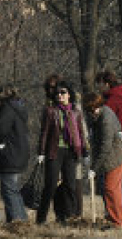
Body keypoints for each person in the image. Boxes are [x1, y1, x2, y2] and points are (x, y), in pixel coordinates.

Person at [35, 80, 88, 225]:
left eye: (63, 92)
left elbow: (80, 133)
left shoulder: (76, 112)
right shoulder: (51, 111)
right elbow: (44, 132)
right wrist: (41, 152)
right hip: (54, 150)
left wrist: (84, 150)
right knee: (51, 184)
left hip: (71, 151)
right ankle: (41, 218)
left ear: (69, 95)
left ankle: (69, 216)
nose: (60, 95)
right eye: (57, 93)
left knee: (70, 184)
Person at [83, 92, 122, 228]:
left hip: (116, 158)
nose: (93, 112)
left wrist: (94, 168)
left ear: (99, 105)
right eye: (90, 110)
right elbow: (95, 142)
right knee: (111, 189)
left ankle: (119, 221)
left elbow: (105, 146)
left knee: (111, 189)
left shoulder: (106, 118)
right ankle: (115, 218)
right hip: (108, 159)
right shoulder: (94, 117)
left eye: (95, 109)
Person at [0, 83, 30, 223]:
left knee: (9, 189)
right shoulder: (18, 108)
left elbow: (0, 131)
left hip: (9, 153)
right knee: (13, 188)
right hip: (17, 152)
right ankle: (20, 219)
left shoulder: (7, 109)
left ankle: (17, 221)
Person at [95, 70, 122, 221]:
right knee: (116, 186)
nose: (98, 87)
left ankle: (120, 216)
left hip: (115, 147)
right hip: (120, 145)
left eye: (99, 83)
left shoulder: (112, 101)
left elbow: (110, 127)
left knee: (111, 186)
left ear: (106, 84)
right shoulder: (121, 97)